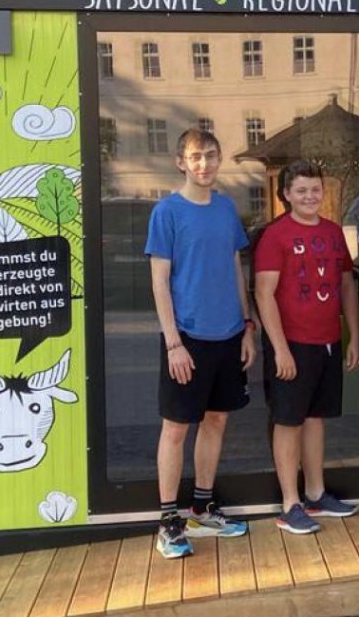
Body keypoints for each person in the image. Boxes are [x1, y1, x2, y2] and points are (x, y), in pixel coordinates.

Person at [146, 128, 256, 559]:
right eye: (196, 157)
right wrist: (173, 342)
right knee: (175, 429)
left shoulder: (227, 209)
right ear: (181, 162)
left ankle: (202, 509)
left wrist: (248, 325)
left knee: (216, 421)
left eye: (211, 155)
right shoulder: (167, 212)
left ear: (220, 158)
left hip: (227, 333)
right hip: (186, 338)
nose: (204, 164)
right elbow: (158, 281)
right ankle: (169, 522)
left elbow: (235, 269)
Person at [255, 160, 359, 534]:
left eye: (315, 189)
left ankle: (316, 492)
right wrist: (280, 349)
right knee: (288, 421)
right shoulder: (275, 235)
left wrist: (353, 337)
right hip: (292, 344)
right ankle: (290, 503)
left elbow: (347, 285)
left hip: (328, 341)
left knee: (316, 418)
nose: (309, 196)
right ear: (286, 194)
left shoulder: (334, 233)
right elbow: (264, 294)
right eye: (301, 190)